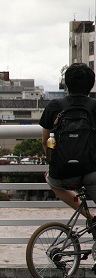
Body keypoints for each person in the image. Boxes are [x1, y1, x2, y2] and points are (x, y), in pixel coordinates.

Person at [39, 63, 96, 213]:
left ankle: (88, 215)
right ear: (91, 84)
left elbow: (45, 141)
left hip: (62, 174)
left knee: (52, 180)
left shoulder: (54, 106)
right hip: (92, 172)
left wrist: (54, 165)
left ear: (67, 83)